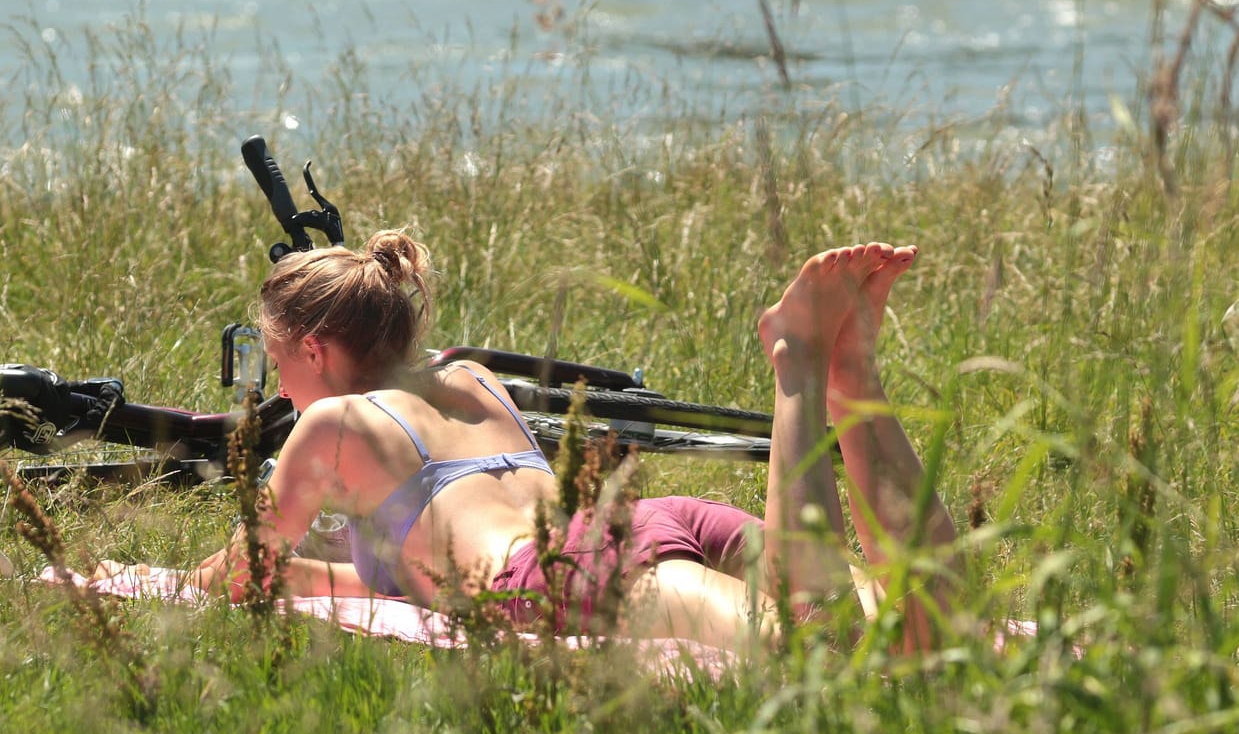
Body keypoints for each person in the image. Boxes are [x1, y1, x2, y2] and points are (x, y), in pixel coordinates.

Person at [97, 234, 959, 650]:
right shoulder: (472, 380)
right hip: (650, 524)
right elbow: (410, 564)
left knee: (814, 651)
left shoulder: (332, 425)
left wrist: (171, 582)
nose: (278, 387)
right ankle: (855, 372)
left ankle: (799, 364)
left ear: (315, 351)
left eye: (279, 364)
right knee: (937, 620)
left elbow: (244, 569)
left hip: (567, 571)